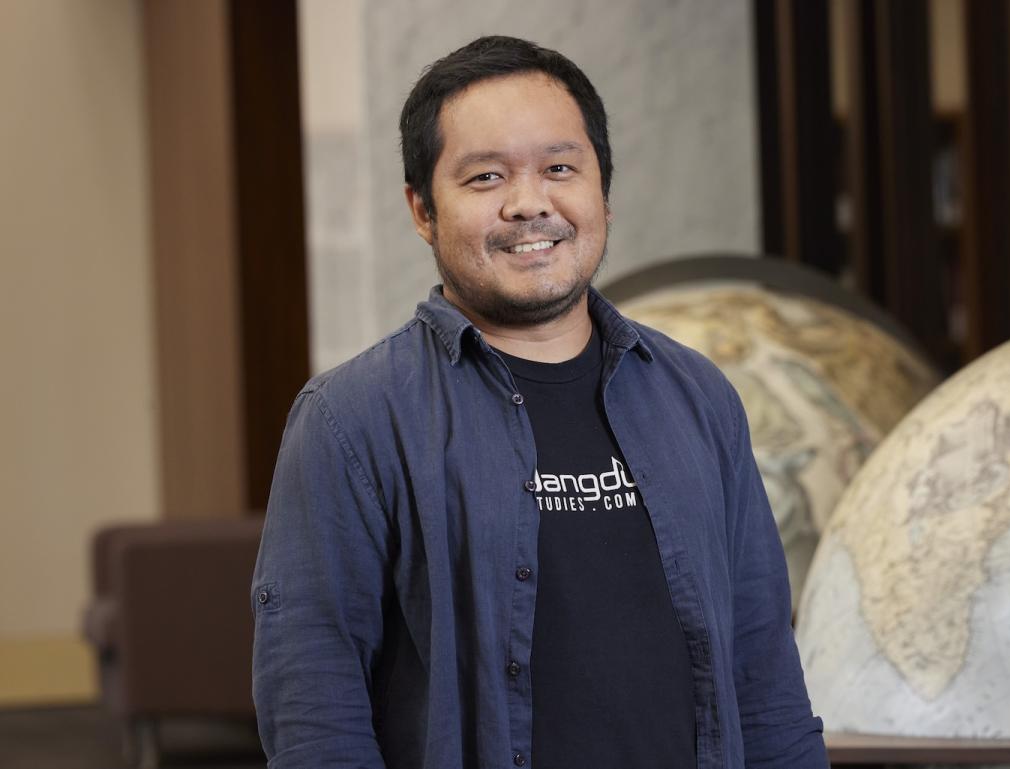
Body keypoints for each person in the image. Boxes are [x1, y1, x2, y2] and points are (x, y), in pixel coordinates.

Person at [251, 35, 828, 769]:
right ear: (422, 209)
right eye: (485, 177)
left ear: (602, 193)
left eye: (560, 168)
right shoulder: (351, 421)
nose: (530, 204)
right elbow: (315, 716)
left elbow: (764, 674)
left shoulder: (696, 396)